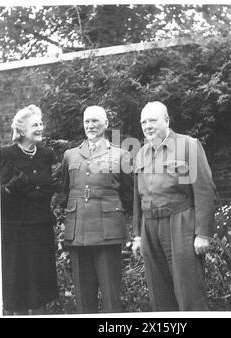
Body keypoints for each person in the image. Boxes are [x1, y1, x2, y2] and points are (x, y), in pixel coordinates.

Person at [132, 101, 215, 311]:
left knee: (189, 292)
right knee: (158, 295)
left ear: (167, 121)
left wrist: (202, 233)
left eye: (153, 120)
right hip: (150, 227)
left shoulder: (188, 145)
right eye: (143, 121)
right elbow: (137, 197)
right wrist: (137, 235)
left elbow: (204, 190)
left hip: (180, 222)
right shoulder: (141, 153)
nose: (147, 126)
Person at [61, 105, 133, 313]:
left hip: (107, 232)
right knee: (83, 299)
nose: (90, 125)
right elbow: (66, 192)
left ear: (106, 124)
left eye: (95, 121)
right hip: (78, 232)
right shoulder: (70, 155)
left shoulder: (120, 155)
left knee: (111, 296)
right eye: (87, 121)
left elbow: (129, 196)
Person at [0, 104, 59, 315]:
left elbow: (51, 186)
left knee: (40, 286)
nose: (40, 127)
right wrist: (11, 187)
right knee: (18, 287)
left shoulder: (46, 154)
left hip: (40, 228)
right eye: (35, 124)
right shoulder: (4, 154)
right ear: (22, 129)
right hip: (15, 232)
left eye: (41, 123)